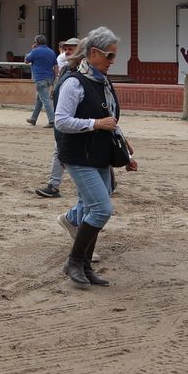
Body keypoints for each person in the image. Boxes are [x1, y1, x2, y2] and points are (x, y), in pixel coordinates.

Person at [51, 27, 134, 288]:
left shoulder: (102, 81)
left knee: (91, 208)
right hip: (79, 156)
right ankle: (73, 262)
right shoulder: (74, 82)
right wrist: (95, 124)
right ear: (94, 53)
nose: (113, 62)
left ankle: (85, 266)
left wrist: (124, 147)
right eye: (109, 56)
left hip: (99, 155)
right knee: (101, 209)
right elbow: (61, 121)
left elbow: (110, 118)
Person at [32, 37, 79, 198]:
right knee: (59, 150)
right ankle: (53, 185)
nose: (67, 51)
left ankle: (108, 183)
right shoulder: (66, 70)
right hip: (66, 121)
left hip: (81, 121)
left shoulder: (87, 72)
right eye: (66, 48)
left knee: (93, 153)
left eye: (71, 48)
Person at [22, 35, 57, 126]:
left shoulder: (35, 51)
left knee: (45, 100)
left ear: (36, 42)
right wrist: (54, 78)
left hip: (40, 78)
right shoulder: (51, 52)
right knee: (40, 99)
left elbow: (26, 61)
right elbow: (56, 66)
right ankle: (33, 118)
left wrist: (32, 50)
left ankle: (52, 120)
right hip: (49, 78)